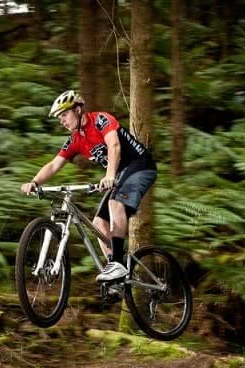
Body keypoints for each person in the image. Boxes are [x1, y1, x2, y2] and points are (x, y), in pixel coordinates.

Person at [20, 90, 157, 282]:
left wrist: (109, 176)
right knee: (99, 223)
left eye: (64, 114)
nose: (62, 121)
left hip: (140, 166)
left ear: (77, 110)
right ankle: (116, 272)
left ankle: (117, 263)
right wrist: (34, 182)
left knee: (115, 203)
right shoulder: (76, 140)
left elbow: (114, 146)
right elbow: (53, 165)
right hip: (121, 176)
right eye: (59, 118)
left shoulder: (101, 120)